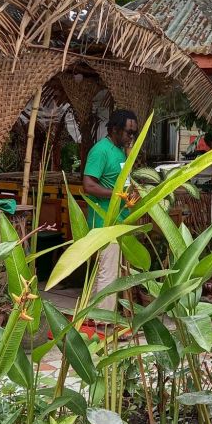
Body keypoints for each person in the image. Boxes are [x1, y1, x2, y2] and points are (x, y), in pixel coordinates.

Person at [82, 109, 138, 311]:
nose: (131, 137)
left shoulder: (122, 151)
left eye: (134, 133)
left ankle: (93, 315)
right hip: (104, 222)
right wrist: (118, 195)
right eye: (128, 132)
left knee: (109, 272)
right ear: (114, 129)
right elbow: (88, 185)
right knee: (108, 273)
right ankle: (103, 321)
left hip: (121, 220)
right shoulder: (100, 151)